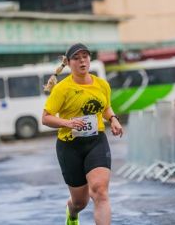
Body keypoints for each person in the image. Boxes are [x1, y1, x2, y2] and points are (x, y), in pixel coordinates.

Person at [42, 43, 123, 225]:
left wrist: (114, 119)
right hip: (69, 146)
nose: (82, 61)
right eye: (77, 58)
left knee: (100, 192)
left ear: (90, 59)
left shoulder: (102, 84)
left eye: (85, 56)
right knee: (80, 202)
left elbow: (106, 107)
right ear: (69, 63)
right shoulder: (62, 89)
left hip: (96, 142)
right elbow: (45, 118)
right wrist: (67, 123)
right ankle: (72, 213)